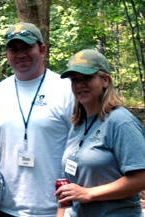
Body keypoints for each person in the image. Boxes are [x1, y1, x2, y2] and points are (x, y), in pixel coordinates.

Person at [0, 22, 74, 217]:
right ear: (7, 55)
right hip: (5, 207)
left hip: (55, 209)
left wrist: (68, 207)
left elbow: (79, 152)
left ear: (42, 50)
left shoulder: (66, 89)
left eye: (27, 47)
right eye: (13, 49)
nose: (20, 54)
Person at [55, 49, 145, 217]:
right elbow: (68, 187)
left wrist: (89, 193)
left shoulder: (120, 121)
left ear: (105, 80)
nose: (80, 84)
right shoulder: (78, 124)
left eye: (87, 77)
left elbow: (141, 178)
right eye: (75, 80)